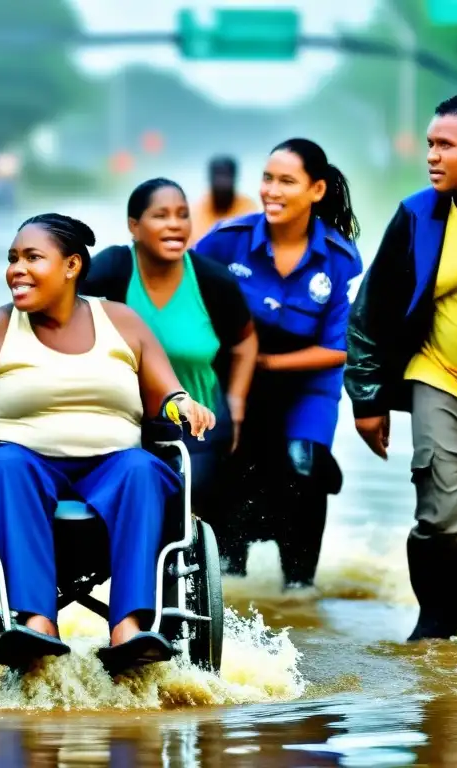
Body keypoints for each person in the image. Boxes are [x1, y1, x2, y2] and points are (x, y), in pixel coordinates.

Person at [0, 213, 215, 673]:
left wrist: (182, 407)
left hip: (113, 473)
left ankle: (128, 629)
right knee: (5, 464)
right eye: (12, 259)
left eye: (32, 258)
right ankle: (35, 623)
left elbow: (166, 395)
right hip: (20, 474)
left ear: (71, 266)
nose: (16, 270)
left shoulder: (122, 323)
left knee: (143, 468)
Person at [345, 93, 457, 645]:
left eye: (445, 145)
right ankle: (436, 630)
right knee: (444, 522)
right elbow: (370, 311)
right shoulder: (418, 216)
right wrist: (366, 400)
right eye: (430, 144)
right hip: (441, 383)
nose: (431, 155)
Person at [195, 138, 363, 589]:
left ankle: (299, 590)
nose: (272, 190)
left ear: (317, 190)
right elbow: (179, 293)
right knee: (224, 467)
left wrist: (267, 360)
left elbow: (340, 346)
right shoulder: (225, 242)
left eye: (287, 181)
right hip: (233, 378)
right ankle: (224, 582)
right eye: (267, 178)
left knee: (303, 469)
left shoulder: (341, 259)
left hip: (306, 385)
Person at [81, 177, 258, 524]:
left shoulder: (213, 280)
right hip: (124, 421)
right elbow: (62, 308)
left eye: (182, 215)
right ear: (134, 226)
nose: (175, 224)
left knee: (188, 507)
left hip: (198, 425)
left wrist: (235, 403)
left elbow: (245, 341)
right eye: (161, 215)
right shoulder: (113, 269)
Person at [190, 156, 259, 245]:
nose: (222, 183)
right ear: (209, 179)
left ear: (235, 178)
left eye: (226, 176)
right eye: (218, 176)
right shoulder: (195, 212)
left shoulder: (249, 209)